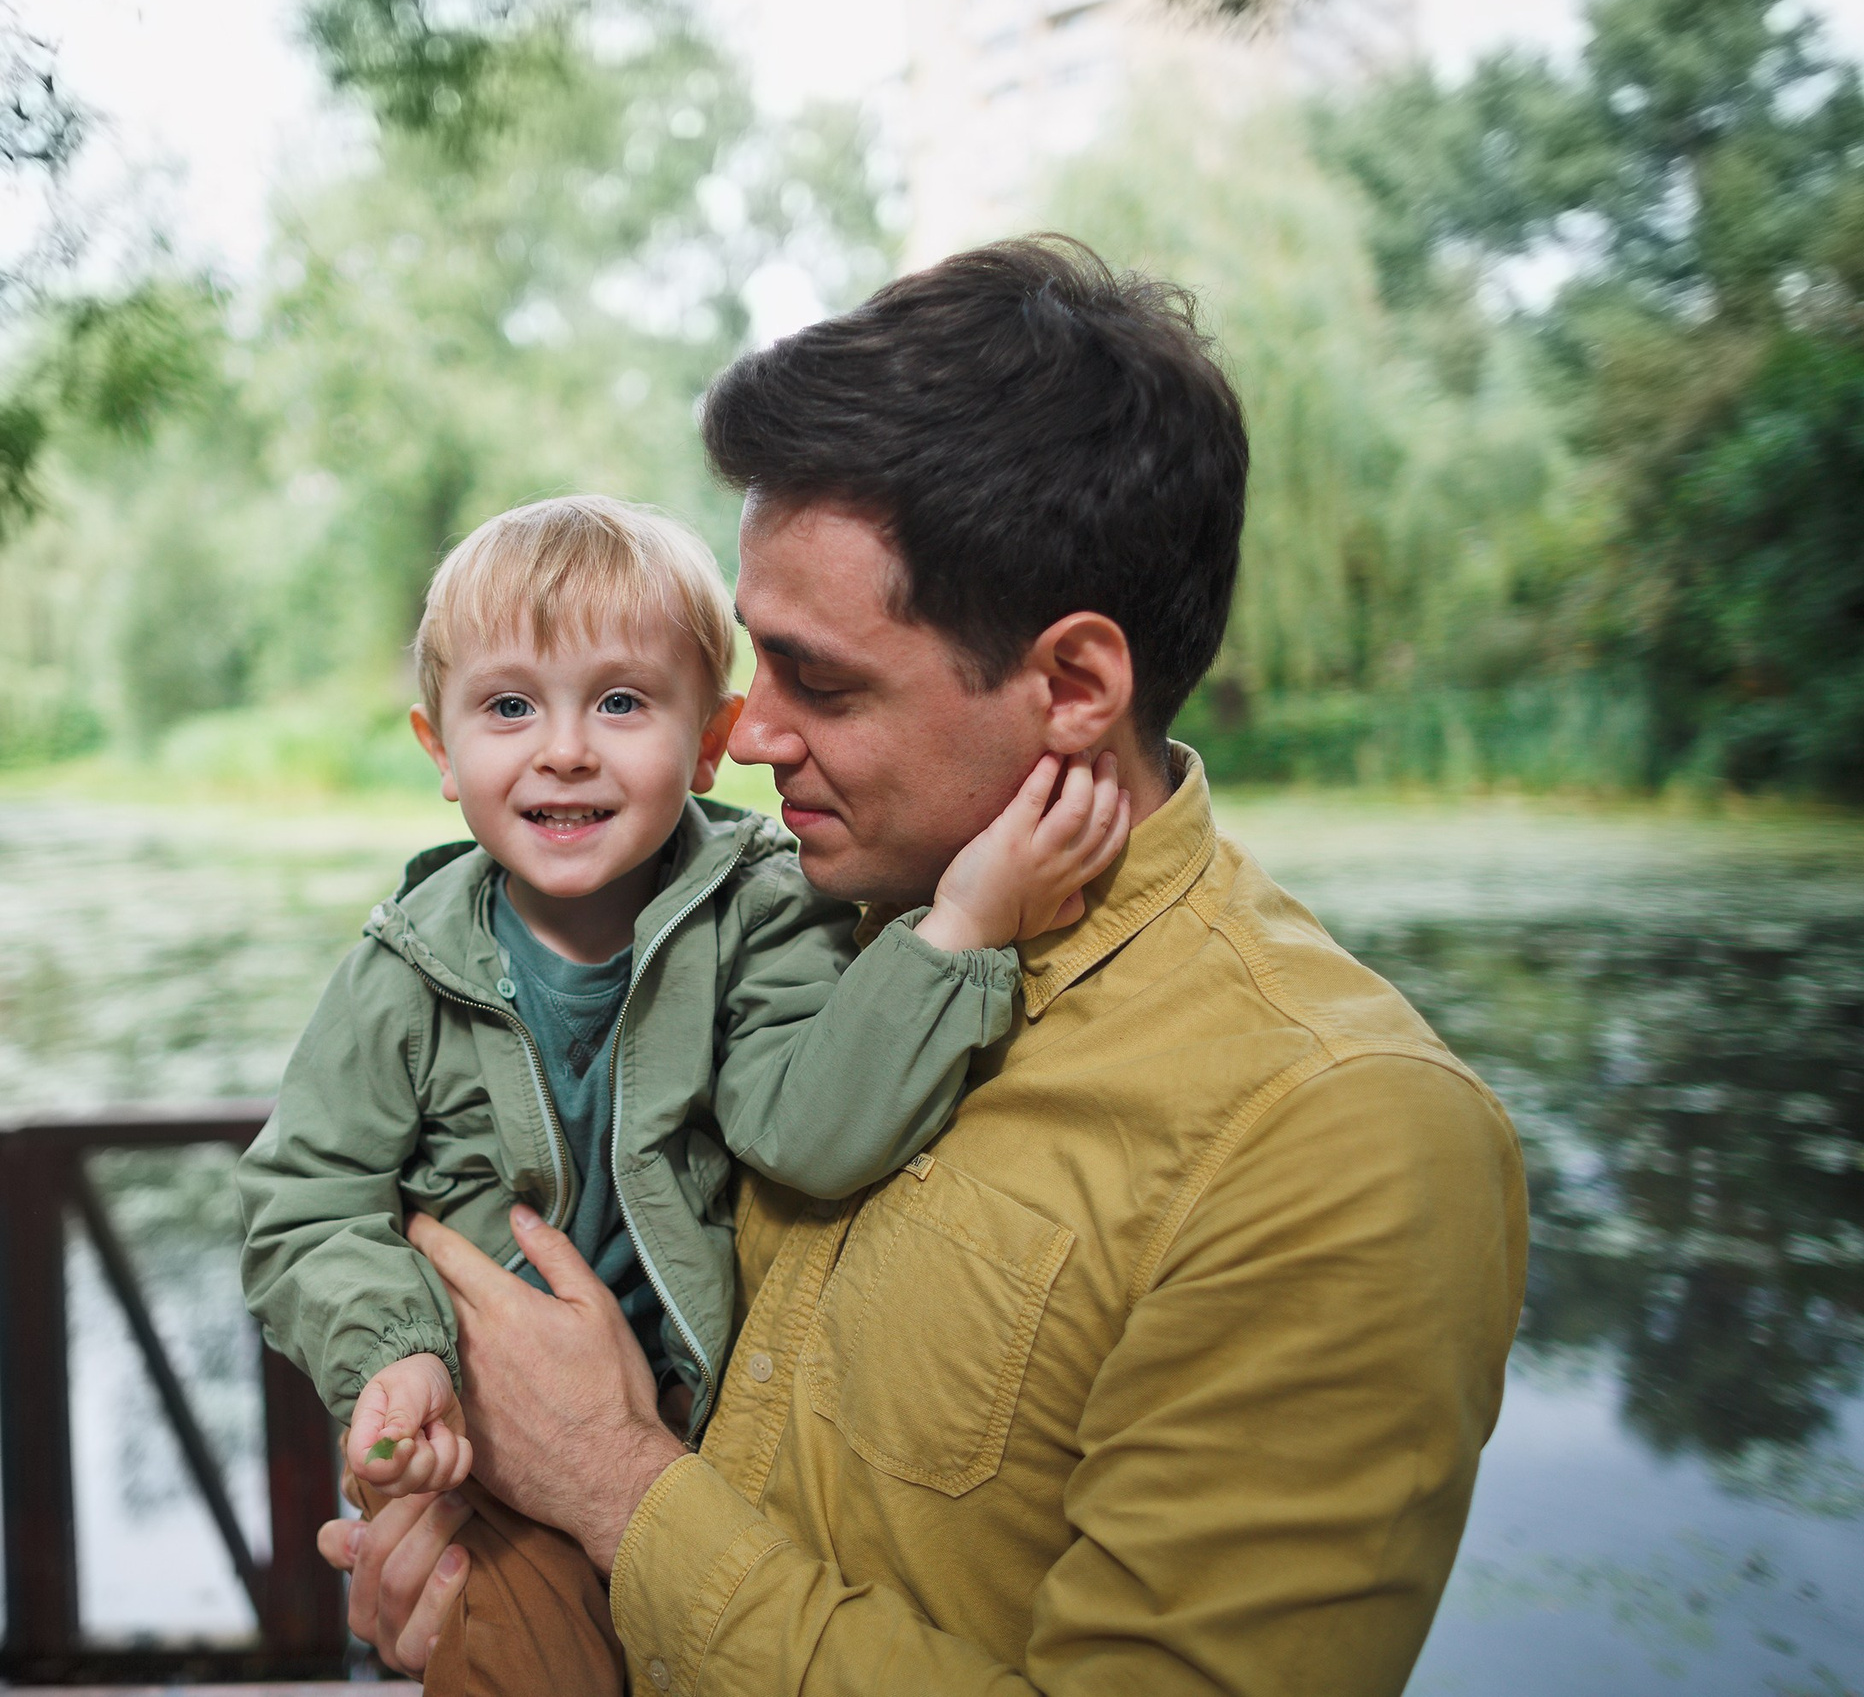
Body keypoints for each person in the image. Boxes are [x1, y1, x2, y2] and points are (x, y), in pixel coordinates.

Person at [324, 238, 1532, 1697]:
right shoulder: (768, 926)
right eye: (753, 665)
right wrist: (476, 1581)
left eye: (821, 680)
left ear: (1075, 686)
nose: (752, 738)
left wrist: (615, 1487)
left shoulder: (1337, 1134)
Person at [237, 492, 1127, 1696]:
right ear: (438, 751)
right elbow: (306, 1207)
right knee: (515, 1654)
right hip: (478, 1450)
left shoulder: (764, 914)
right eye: (508, 707)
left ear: (710, 742)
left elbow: (806, 1132)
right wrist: (396, 1354)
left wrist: (959, 929)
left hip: (701, 1455)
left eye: (620, 702)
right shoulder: (399, 972)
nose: (563, 749)